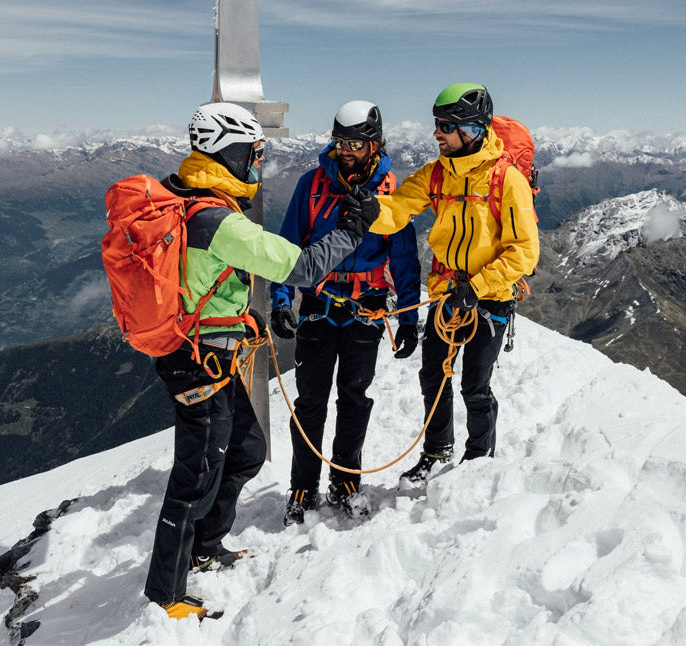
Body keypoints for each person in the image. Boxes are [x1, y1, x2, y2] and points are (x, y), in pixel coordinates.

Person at [142, 101, 381, 619]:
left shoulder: (195, 199)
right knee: (195, 474)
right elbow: (301, 267)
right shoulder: (217, 220)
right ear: (228, 151)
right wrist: (352, 231)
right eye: (254, 153)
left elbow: (203, 279)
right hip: (197, 362)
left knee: (247, 449)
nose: (258, 162)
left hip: (212, 351)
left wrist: (236, 317)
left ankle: (204, 547)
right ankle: (166, 594)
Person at [365, 83, 540, 485]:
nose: (436, 133)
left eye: (445, 125)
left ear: (473, 130)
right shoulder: (437, 175)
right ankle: (436, 450)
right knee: (434, 376)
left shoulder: (506, 180)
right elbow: (398, 211)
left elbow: (524, 252)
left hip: (489, 299)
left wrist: (478, 286)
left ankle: (478, 463)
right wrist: (366, 210)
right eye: (437, 124)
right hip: (447, 294)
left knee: (475, 386)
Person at [269, 100, 422, 526]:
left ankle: (345, 479)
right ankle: (302, 486)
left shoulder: (391, 193)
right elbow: (287, 247)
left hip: (366, 308)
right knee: (311, 400)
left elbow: (405, 258)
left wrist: (409, 317)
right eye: (340, 141)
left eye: (355, 142)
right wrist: (281, 300)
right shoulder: (312, 184)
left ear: (375, 144)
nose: (346, 150)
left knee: (354, 397)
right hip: (318, 305)